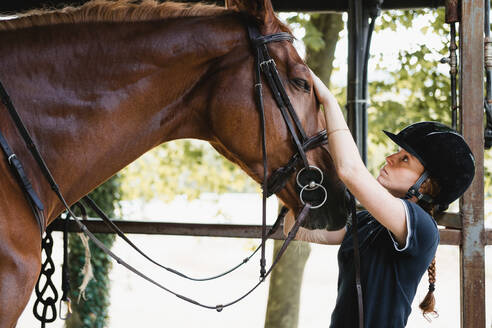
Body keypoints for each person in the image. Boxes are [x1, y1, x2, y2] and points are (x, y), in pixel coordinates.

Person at [283, 71, 475, 328]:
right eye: (396, 153)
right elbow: (298, 231)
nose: (389, 159)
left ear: (427, 184)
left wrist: (328, 100)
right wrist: (293, 176)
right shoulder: (367, 222)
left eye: (404, 159)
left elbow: (350, 171)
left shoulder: (421, 227)